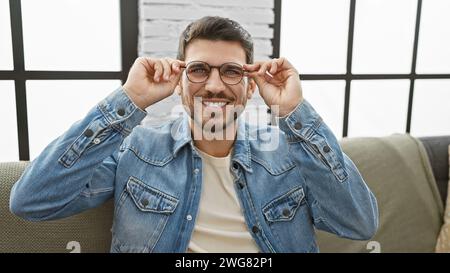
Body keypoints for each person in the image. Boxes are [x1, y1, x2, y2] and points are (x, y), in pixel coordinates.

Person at [10, 16, 378, 253]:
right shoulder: (136, 150)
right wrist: (130, 99)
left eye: (232, 71)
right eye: (199, 70)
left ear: (251, 88)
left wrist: (293, 112)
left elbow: (359, 222)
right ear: (181, 85)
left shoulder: (288, 153)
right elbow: (31, 201)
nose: (215, 86)